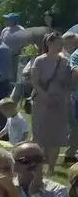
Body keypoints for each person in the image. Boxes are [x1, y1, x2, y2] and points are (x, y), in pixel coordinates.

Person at [27, 35, 72, 163]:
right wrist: (47, 98)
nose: (61, 46)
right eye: (58, 43)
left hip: (59, 102)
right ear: (49, 43)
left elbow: (68, 83)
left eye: (61, 43)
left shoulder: (65, 61)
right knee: (40, 134)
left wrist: (65, 98)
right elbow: (34, 82)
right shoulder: (39, 61)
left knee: (56, 135)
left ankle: (51, 167)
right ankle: (38, 162)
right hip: (41, 102)